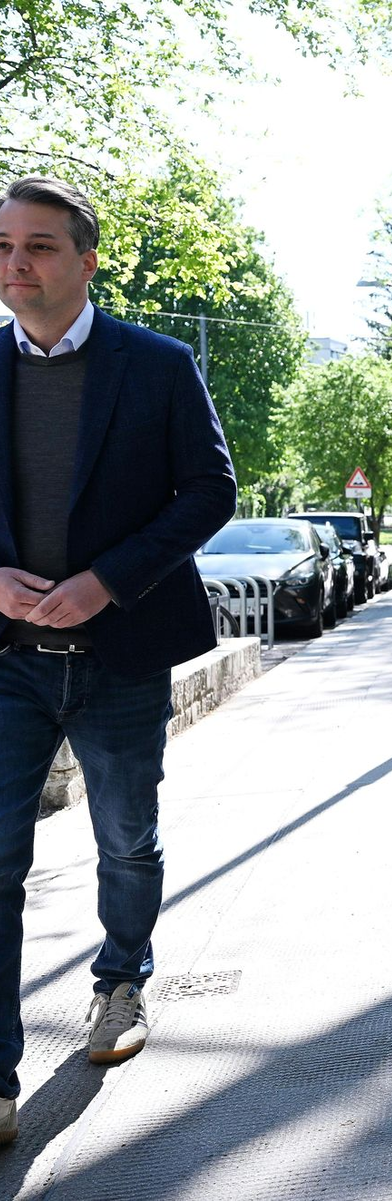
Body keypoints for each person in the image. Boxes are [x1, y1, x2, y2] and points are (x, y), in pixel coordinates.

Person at [0, 176, 237, 1144]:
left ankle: (120, 982)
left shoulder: (158, 364)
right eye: (4, 246)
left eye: (39, 246)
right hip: (8, 660)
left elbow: (211, 489)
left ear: (87, 261)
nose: (17, 263)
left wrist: (108, 580)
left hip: (122, 653)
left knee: (127, 839)